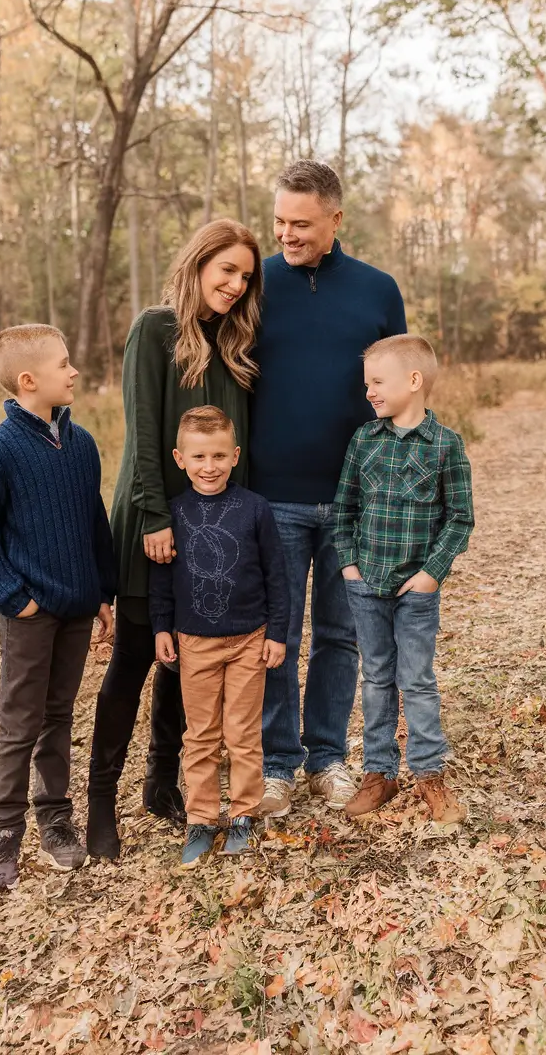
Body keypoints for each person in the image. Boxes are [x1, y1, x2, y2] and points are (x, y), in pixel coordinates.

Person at [87, 220, 263, 861]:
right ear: (197, 265)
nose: (235, 285)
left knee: (184, 661)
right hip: (153, 522)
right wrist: (155, 517)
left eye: (246, 277)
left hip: (215, 532)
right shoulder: (156, 329)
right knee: (134, 659)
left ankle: (161, 783)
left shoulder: (237, 344)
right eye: (226, 270)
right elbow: (141, 434)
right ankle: (100, 803)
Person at [249, 160, 407, 817]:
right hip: (273, 496)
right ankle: (276, 766)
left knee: (340, 635)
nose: (287, 234)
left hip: (354, 500)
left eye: (302, 224)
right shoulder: (252, 284)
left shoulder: (377, 290)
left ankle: (326, 758)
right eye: (279, 221)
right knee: (278, 636)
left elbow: (400, 392)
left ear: (336, 219)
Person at [0, 324, 116, 892]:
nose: (74, 371)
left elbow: (94, 523)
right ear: (29, 380)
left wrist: (104, 593)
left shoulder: (81, 444)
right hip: (30, 612)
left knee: (58, 714)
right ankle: (5, 830)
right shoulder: (0, 450)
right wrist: (14, 599)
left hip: (77, 607)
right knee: (20, 720)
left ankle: (55, 817)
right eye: (63, 364)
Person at [332, 334, 474, 823]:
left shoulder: (445, 445)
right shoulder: (364, 440)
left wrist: (432, 573)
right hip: (366, 584)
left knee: (416, 680)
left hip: (417, 590)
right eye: (366, 383)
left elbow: (460, 519)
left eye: (377, 382)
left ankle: (429, 776)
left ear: (414, 381)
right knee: (376, 678)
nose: (368, 391)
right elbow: (344, 508)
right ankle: (379, 774)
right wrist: (349, 565)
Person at [150, 406, 289, 866]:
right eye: (198, 457)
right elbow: (161, 579)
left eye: (218, 456)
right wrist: (161, 627)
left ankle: (243, 814)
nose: (209, 467)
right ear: (179, 458)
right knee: (201, 735)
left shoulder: (255, 508)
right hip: (194, 642)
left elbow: (277, 576)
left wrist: (277, 633)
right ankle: (201, 819)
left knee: (243, 734)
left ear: (235, 455)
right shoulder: (174, 513)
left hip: (250, 638)